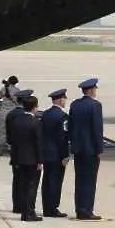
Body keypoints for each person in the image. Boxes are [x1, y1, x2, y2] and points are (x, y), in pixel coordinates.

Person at [69, 78, 104, 220]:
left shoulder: (75, 104)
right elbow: (97, 129)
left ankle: (79, 208)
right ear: (90, 90)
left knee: (80, 180)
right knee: (89, 181)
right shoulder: (95, 106)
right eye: (94, 89)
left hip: (78, 148)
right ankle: (86, 210)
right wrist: (99, 148)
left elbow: (71, 126)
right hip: (90, 149)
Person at [10, 94, 43, 221]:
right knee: (31, 186)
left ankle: (23, 211)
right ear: (34, 107)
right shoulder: (35, 122)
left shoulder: (17, 121)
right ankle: (29, 212)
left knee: (22, 185)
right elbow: (38, 142)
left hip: (19, 158)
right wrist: (40, 160)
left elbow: (13, 140)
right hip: (32, 159)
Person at [41, 89, 70, 218]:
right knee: (55, 181)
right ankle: (53, 208)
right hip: (57, 154)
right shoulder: (62, 116)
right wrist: (65, 155)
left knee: (46, 181)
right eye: (64, 99)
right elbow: (62, 138)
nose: (65, 101)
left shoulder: (45, 114)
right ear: (59, 99)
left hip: (46, 152)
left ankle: (46, 207)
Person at [6, 89, 29, 213]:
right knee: (26, 181)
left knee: (17, 179)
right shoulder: (26, 115)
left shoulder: (11, 114)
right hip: (26, 152)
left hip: (14, 151)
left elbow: (8, 135)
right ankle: (24, 205)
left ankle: (17, 205)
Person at [0, 75, 21, 154]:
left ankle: (0, 149)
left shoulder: (4, 89)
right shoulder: (17, 90)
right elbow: (18, 102)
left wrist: (5, 88)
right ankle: (11, 149)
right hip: (13, 112)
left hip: (3, 112)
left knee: (2, 130)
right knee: (12, 130)